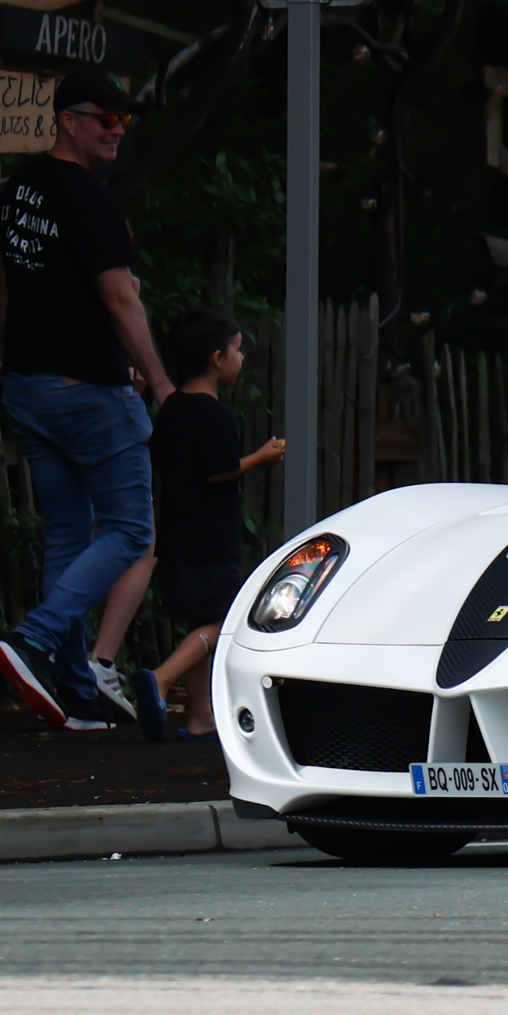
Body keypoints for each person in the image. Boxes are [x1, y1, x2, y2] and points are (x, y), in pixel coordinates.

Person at [0, 68, 176, 730]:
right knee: (130, 529)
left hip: (29, 385)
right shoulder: (91, 202)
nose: (117, 131)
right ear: (69, 120)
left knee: (68, 533)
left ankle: (69, 688)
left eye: (124, 122)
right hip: (89, 390)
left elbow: (4, 284)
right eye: (106, 119)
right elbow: (120, 296)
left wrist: (14, 362)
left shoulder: (14, 194)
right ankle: (33, 640)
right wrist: (158, 379)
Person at [134, 307, 286, 741]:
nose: (241, 359)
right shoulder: (214, 415)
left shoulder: (172, 410)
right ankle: (161, 679)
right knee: (224, 621)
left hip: (177, 535)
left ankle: (201, 715)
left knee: (196, 624)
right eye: (237, 350)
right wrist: (261, 456)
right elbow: (218, 470)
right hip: (212, 539)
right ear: (217, 359)